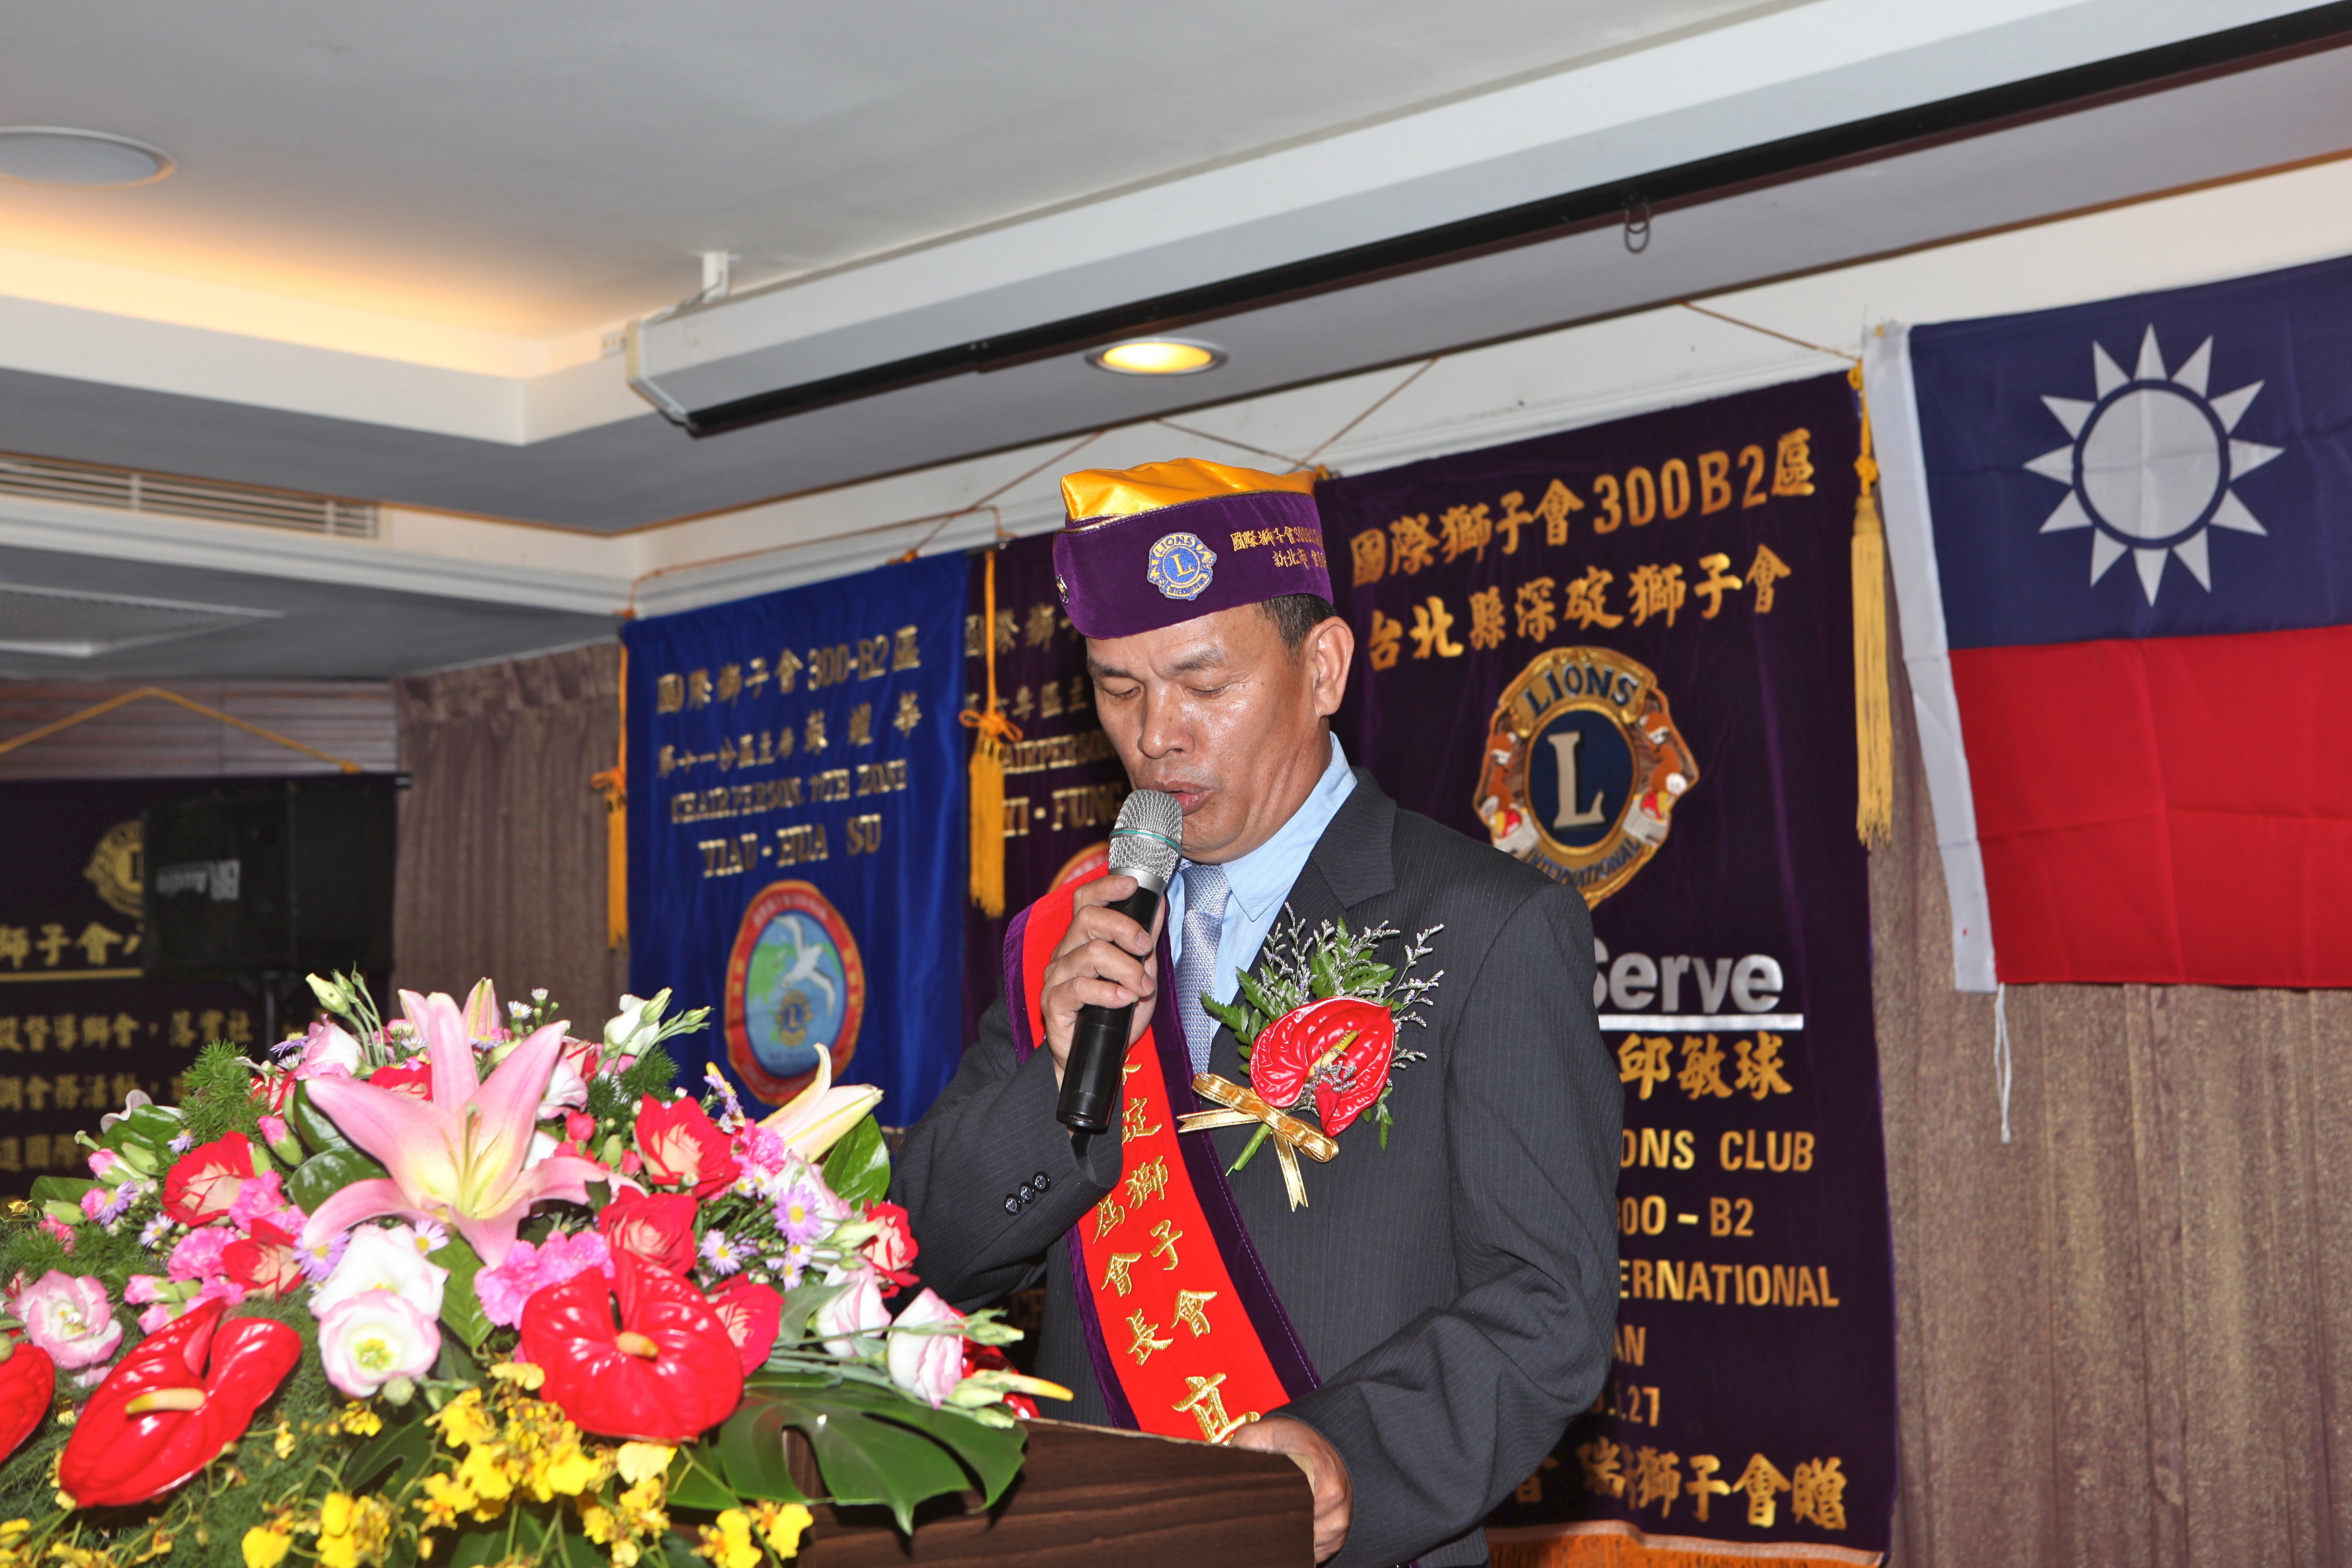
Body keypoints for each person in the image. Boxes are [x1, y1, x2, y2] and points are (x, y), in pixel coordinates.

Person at [894, 458, 1619, 1567]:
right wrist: (1056, 1079)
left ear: (1322, 668)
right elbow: (919, 1256)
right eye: (1118, 689)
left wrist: (1347, 1460)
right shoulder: (1072, 939)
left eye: (1203, 683)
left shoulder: (1487, 926)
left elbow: (1549, 1307)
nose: (1157, 735)